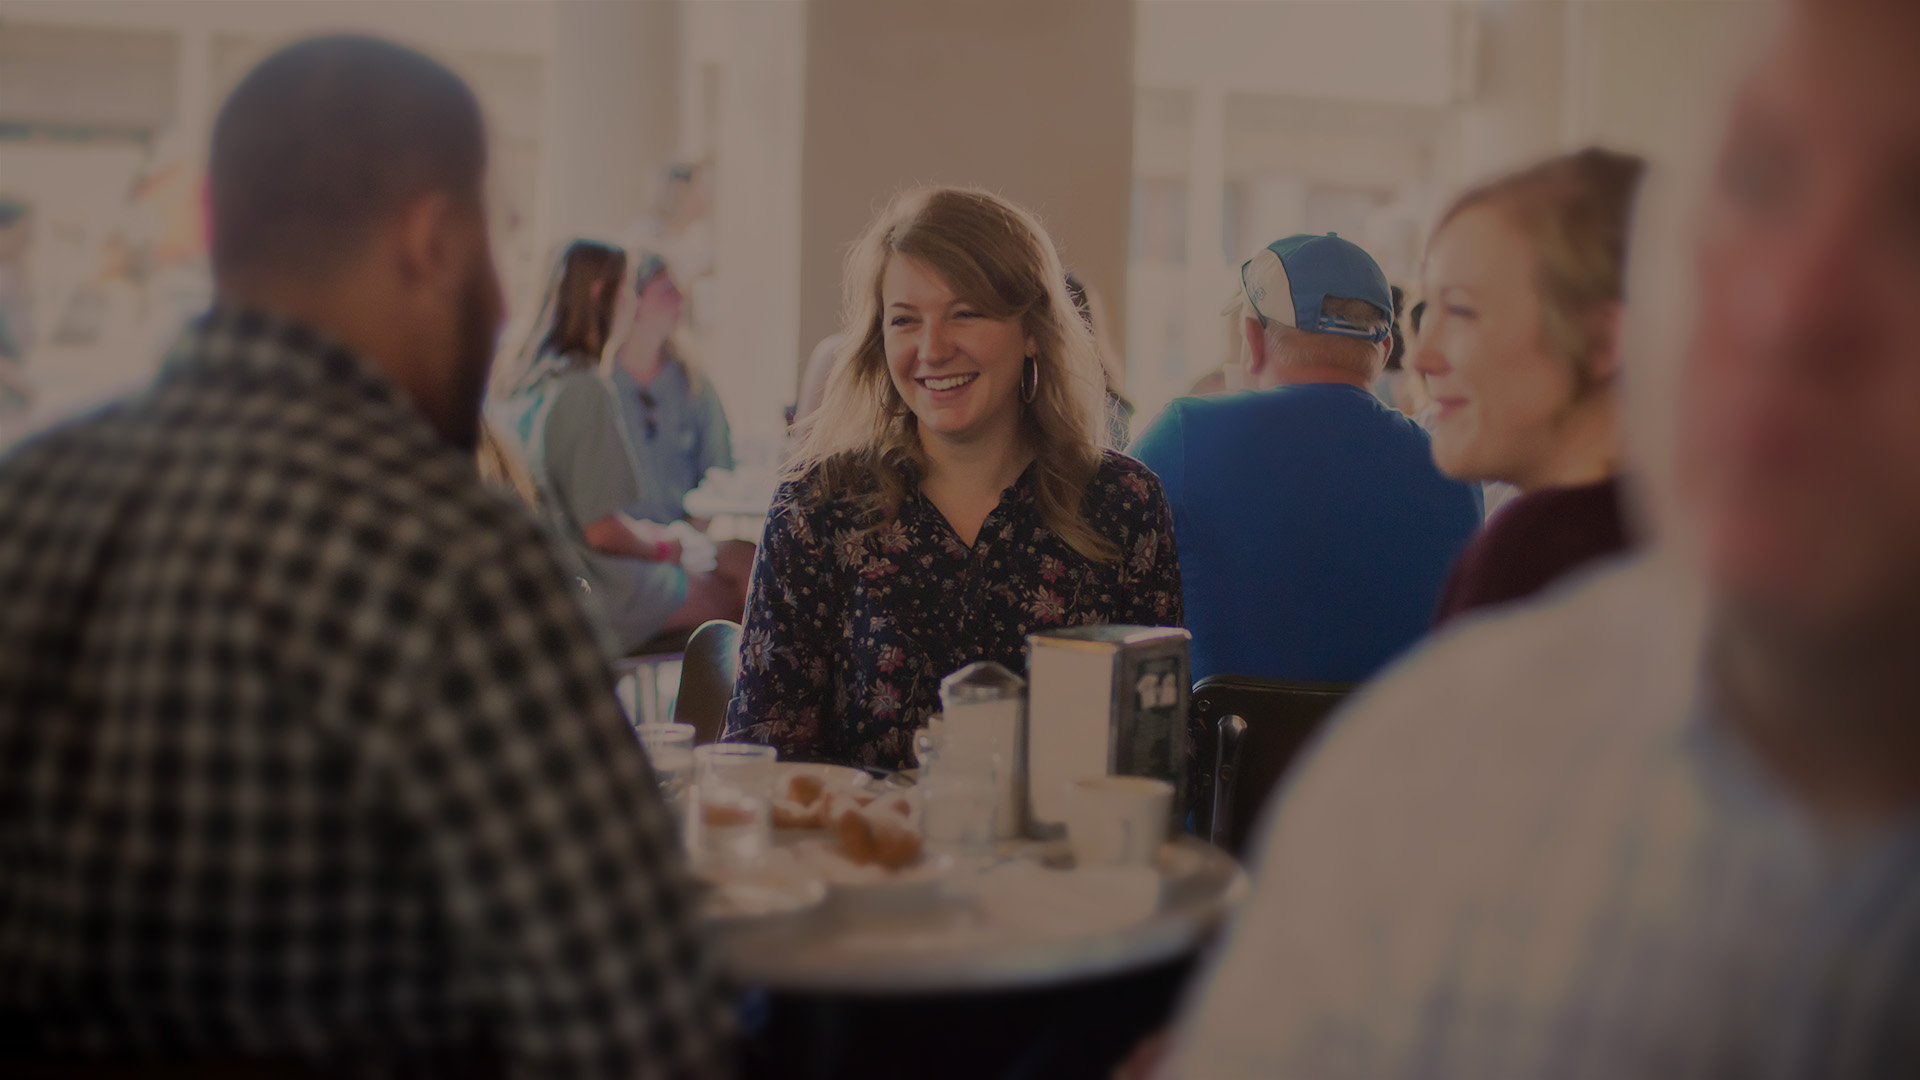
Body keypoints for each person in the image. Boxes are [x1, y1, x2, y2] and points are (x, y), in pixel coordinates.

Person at [1158, 1, 1920, 1075]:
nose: (1793, 304)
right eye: (1755, 181)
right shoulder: (1470, 672)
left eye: (1461, 312)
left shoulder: (1518, 607)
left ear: (1605, 338)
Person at [0, 36, 729, 1076]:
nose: (502, 303)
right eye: (495, 243)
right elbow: (636, 1031)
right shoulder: (452, 560)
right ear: (429, 239)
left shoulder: (27, 498)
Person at [724, 186, 1182, 769]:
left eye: (966, 313)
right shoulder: (816, 507)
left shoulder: (1124, 503)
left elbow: (1158, 754)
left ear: (1033, 329)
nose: (933, 349)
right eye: (905, 320)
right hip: (858, 831)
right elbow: (761, 751)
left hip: (1068, 832)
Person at [1130, 233, 1483, 684]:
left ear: (1252, 339)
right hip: (1402, 730)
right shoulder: (1452, 467)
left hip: (1227, 732)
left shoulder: (1185, 435)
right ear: (1384, 352)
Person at [1418, 148, 1647, 624]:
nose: (1423, 356)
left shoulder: (1534, 560)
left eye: (1461, 310)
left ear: (1601, 340)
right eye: (1428, 310)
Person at [493, 241, 744, 656]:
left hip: (548, 580)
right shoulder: (585, 387)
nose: (632, 301)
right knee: (743, 591)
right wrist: (664, 546)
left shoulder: (517, 386)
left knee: (738, 559)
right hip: (596, 588)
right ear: (600, 294)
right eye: (627, 289)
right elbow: (604, 531)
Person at [606, 250, 754, 643]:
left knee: (760, 564)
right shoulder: (598, 386)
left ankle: (752, 680)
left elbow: (717, 474)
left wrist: (687, 540)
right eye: (667, 289)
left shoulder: (693, 383)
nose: (681, 299)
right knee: (737, 593)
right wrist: (654, 545)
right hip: (622, 549)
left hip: (684, 541)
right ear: (633, 298)